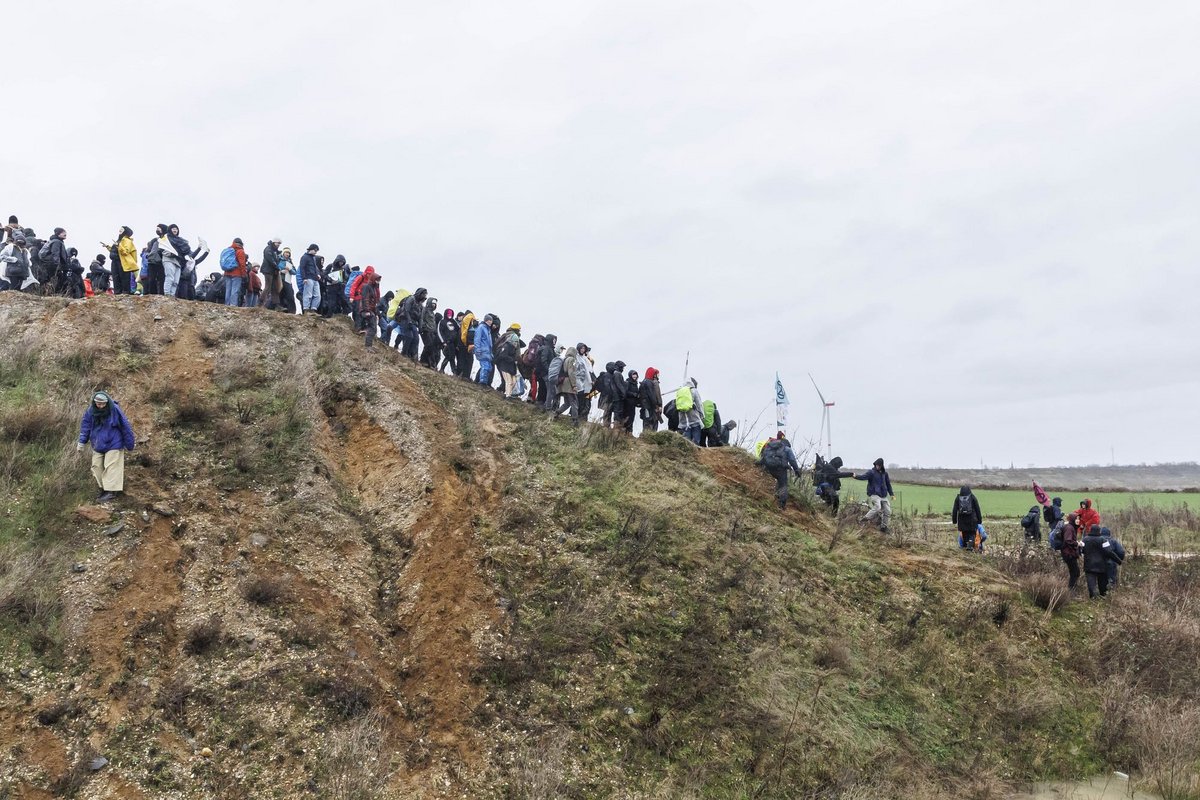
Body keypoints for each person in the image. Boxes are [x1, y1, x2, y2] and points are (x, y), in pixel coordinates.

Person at [76, 391, 136, 503]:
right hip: (98, 444)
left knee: (111, 466)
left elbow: (125, 426)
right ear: (94, 403)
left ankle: (111, 492)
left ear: (106, 402)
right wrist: (81, 443)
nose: (100, 406)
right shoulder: (90, 411)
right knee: (96, 466)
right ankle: (103, 488)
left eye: (103, 403)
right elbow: (86, 427)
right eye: (98, 403)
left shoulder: (115, 410)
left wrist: (129, 444)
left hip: (114, 442)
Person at [759, 433, 802, 510]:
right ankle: (781, 505)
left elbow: (764, 455)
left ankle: (774, 495)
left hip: (769, 467)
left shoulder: (770, 445)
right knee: (783, 485)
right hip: (780, 469)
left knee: (777, 481)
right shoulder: (787, 449)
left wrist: (760, 463)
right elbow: (792, 460)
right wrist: (797, 470)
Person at [855, 459, 896, 533]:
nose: (877, 467)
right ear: (875, 465)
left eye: (879, 465)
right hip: (874, 494)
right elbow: (863, 477)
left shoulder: (885, 474)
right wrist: (855, 476)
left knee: (887, 511)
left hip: (883, 495)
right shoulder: (871, 472)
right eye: (876, 465)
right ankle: (864, 519)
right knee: (878, 507)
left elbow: (888, 484)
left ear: (881, 466)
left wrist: (892, 494)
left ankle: (883, 527)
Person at [1082, 524, 1122, 598]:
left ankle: (1093, 597)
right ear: (1098, 531)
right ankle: (1103, 595)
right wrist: (1118, 560)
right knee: (1102, 583)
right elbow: (1109, 552)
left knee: (1091, 583)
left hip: (1089, 565)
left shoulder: (1085, 539)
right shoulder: (1103, 540)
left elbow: (1082, 550)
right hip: (1101, 565)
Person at [38, 227, 70, 294]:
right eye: (63, 232)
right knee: (55, 280)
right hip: (53, 265)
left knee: (53, 280)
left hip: (51, 264)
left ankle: (50, 293)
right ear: (58, 234)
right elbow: (55, 254)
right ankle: (51, 293)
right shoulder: (56, 242)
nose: (65, 233)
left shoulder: (57, 241)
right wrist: (57, 265)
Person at [495, 323, 523, 396]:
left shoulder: (505, 336)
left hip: (505, 364)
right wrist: (515, 360)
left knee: (512, 381)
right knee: (508, 381)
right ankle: (506, 395)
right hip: (505, 365)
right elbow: (515, 354)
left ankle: (506, 393)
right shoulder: (510, 342)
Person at [674, 378, 703, 444]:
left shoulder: (680, 391)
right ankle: (695, 452)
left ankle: (687, 452)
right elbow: (699, 404)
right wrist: (701, 415)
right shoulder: (694, 390)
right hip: (694, 417)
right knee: (696, 440)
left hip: (683, 419)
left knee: (687, 442)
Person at [220, 238, 248, 306]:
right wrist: (244, 274)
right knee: (235, 290)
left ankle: (227, 304)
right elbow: (242, 264)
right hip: (237, 273)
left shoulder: (228, 250)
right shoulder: (240, 251)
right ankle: (233, 305)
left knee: (228, 290)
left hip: (227, 272)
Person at [473, 314, 498, 386]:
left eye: (491, 320)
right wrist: (477, 349)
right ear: (485, 320)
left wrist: (491, 353)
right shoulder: (481, 327)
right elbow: (477, 339)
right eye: (489, 320)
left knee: (489, 368)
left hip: (487, 352)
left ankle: (484, 382)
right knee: (485, 367)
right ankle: (482, 383)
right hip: (482, 351)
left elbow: (489, 343)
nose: (490, 322)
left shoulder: (488, 329)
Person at [360, 271, 382, 350]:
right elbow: (365, 299)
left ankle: (369, 345)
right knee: (372, 327)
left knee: (373, 328)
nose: (378, 281)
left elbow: (374, 301)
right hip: (366, 310)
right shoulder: (367, 287)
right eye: (377, 279)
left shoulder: (374, 288)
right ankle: (368, 346)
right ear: (373, 279)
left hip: (371, 310)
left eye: (379, 280)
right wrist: (367, 311)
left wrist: (376, 312)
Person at [1059, 512, 1081, 590]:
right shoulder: (1069, 528)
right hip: (1069, 554)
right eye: (1076, 519)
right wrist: (1077, 543)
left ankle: (1072, 589)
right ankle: (1071, 590)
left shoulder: (1071, 527)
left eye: (1078, 519)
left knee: (1074, 572)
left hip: (1068, 553)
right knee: (1075, 572)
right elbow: (1068, 540)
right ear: (1072, 519)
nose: (1078, 520)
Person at [113, 227, 138, 295]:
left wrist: (118, 246)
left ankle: (126, 292)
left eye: (122, 229)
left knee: (124, 276)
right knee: (116, 276)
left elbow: (126, 251)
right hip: (115, 261)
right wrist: (108, 247)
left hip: (123, 261)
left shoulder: (127, 241)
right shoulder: (119, 240)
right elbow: (116, 251)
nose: (120, 230)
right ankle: (117, 292)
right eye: (120, 229)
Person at [260, 237, 283, 310]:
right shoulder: (268, 249)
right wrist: (277, 266)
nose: (279, 245)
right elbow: (270, 259)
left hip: (273, 271)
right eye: (278, 243)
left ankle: (277, 305)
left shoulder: (275, 251)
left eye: (280, 243)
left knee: (275, 288)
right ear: (274, 242)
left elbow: (275, 260)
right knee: (268, 287)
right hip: (268, 270)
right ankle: (260, 303)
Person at [638, 367, 663, 432]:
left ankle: (646, 434)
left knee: (646, 420)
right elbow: (652, 395)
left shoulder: (643, 382)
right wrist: (657, 405)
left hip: (645, 405)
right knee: (651, 420)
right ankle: (650, 435)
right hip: (650, 406)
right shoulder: (650, 383)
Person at [299, 243, 322, 314]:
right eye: (315, 250)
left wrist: (318, 274)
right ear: (310, 249)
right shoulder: (304, 257)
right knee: (308, 294)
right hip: (308, 278)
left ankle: (313, 309)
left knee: (317, 295)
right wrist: (304, 278)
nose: (316, 252)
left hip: (315, 279)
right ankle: (306, 309)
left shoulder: (313, 258)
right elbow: (302, 268)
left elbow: (315, 268)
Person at [542, 344, 566, 412]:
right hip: (550, 376)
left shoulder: (558, 357)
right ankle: (547, 407)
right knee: (551, 392)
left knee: (553, 392)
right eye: (561, 349)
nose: (562, 351)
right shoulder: (554, 356)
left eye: (562, 349)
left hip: (551, 375)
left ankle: (546, 405)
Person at [420, 297, 442, 368]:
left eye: (435, 304)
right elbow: (421, 318)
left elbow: (433, 324)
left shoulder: (432, 313)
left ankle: (428, 363)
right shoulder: (425, 310)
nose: (434, 305)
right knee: (428, 345)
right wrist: (423, 327)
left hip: (431, 332)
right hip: (425, 330)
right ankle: (423, 361)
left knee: (430, 347)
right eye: (433, 304)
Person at [438, 310, 460, 374]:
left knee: (451, 356)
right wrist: (443, 342)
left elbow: (458, 330)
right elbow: (439, 332)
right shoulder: (442, 322)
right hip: (447, 342)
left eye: (451, 314)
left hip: (454, 343)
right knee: (449, 356)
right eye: (448, 313)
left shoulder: (454, 322)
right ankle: (445, 369)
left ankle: (453, 371)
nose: (449, 315)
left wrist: (457, 343)